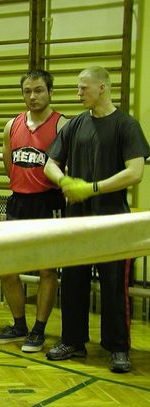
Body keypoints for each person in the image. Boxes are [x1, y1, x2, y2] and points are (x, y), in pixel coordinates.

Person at [43, 66, 150, 373]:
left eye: (83, 88)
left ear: (102, 87)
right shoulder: (75, 124)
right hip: (77, 221)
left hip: (112, 221)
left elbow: (135, 172)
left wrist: (91, 188)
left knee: (114, 285)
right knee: (73, 282)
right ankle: (73, 341)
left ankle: (118, 348)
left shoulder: (126, 125)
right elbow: (49, 163)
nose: (78, 94)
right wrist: (64, 182)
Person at [0, 70, 68, 353]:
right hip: (18, 202)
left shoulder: (62, 125)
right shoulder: (11, 125)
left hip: (49, 203)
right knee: (7, 269)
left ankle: (39, 329)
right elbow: (10, 165)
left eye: (38, 90)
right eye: (27, 91)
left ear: (49, 92)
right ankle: (19, 324)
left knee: (48, 270)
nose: (32, 96)